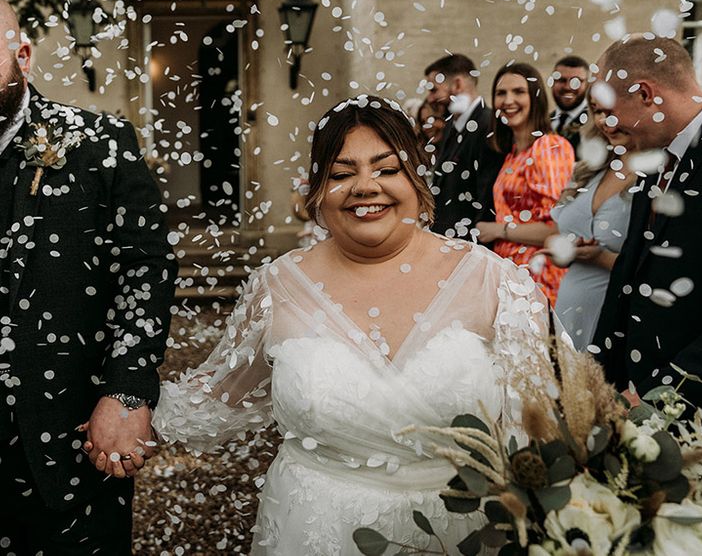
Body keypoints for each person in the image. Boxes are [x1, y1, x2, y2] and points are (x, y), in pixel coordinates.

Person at [152, 95, 551, 555]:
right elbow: (219, 398)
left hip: (465, 528)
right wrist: (121, 409)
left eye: (386, 169)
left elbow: (542, 433)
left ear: (418, 177)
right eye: (342, 174)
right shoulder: (278, 285)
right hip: (316, 528)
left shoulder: (493, 282)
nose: (365, 187)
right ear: (319, 189)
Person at [0, 0, 177, 552]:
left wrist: (127, 390)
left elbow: (144, 267)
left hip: (60, 449)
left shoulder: (98, 144)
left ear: (22, 57)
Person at [591, 35, 702, 464]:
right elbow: (630, 276)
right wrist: (596, 381)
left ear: (646, 94)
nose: (606, 127)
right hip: (636, 410)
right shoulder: (656, 160)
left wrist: (664, 397)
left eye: (611, 113)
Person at [476, 63, 575, 307]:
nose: (508, 100)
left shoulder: (548, 147)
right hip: (510, 278)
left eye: (519, 92)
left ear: (535, 97)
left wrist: (499, 230)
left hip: (540, 281)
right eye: (501, 93)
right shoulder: (512, 153)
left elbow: (558, 227)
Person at [549, 88, 636, 351]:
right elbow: (557, 230)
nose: (603, 120)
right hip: (568, 311)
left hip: (616, 318)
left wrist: (601, 258)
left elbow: (655, 269)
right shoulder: (590, 170)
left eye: (612, 110)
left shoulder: (654, 178)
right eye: (597, 111)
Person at [424, 54, 503, 240]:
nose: (430, 98)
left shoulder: (489, 127)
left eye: (434, 90)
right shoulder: (451, 125)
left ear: (457, 85)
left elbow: (486, 199)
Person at [550, 55, 590, 155]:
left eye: (576, 81)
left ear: (587, 85)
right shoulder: (543, 122)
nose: (568, 87)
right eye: (561, 80)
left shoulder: (596, 123)